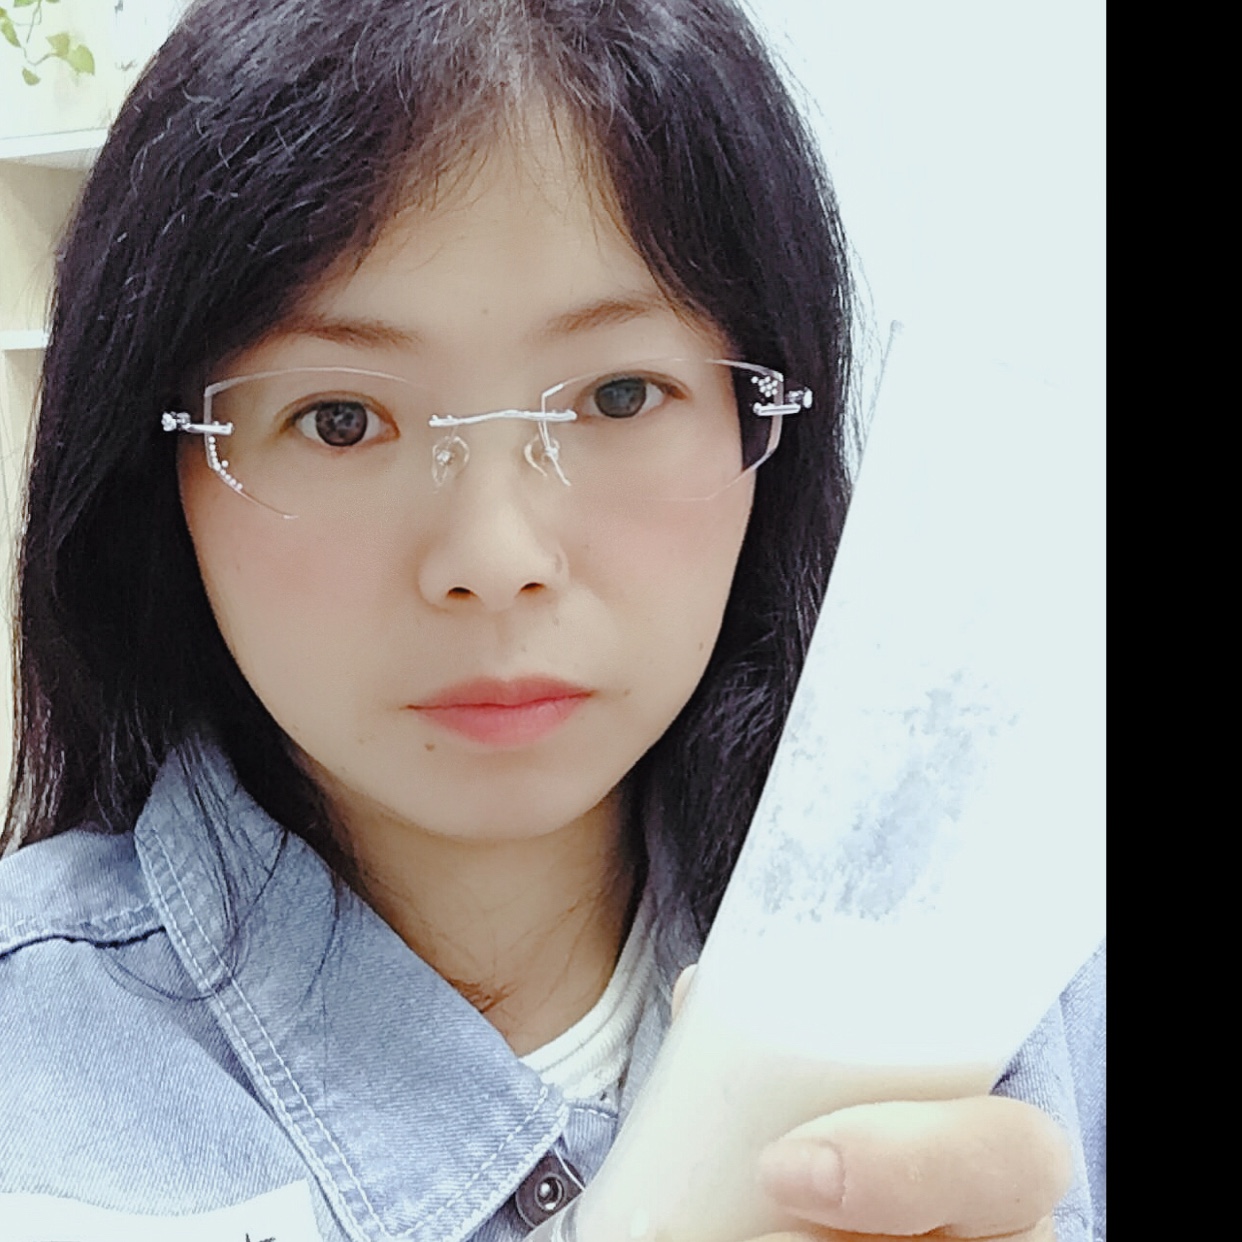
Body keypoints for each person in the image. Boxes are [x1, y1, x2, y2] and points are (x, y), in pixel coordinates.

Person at [0, 1, 1104, 1239]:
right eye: (340, 419)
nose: (495, 559)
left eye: (621, 395)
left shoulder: (1006, 984)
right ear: (161, 480)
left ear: (767, 426)